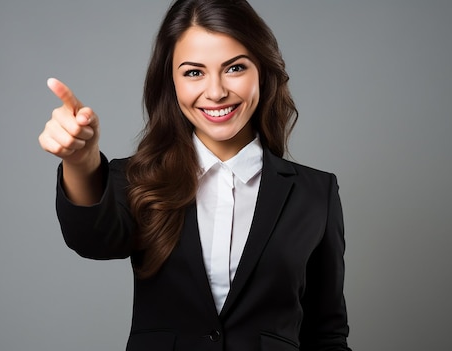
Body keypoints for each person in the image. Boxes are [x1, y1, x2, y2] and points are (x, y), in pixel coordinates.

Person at [38, 0, 351, 350]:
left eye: (234, 68)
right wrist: (80, 161)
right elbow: (92, 240)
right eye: (193, 72)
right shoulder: (138, 178)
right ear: (170, 81)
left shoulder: (315, 193)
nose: (216, 92)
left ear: (262, 71)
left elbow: (326, 334)